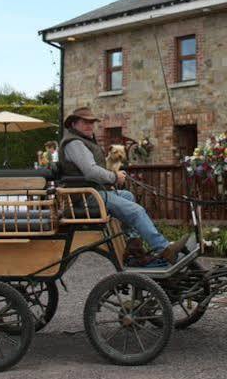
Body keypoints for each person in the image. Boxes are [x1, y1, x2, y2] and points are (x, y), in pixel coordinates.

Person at [60, 107, 188, 264]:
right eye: (85, 122)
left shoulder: (83, 141)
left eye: (92, 123)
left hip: (92, 193)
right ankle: (164, 248)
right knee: (136, 211)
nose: (90, 126)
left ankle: (133, 246)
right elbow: (91, 172)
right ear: (74, 124)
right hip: (83, 198)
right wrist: (114, 177)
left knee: (127, 196)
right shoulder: (74, 143)